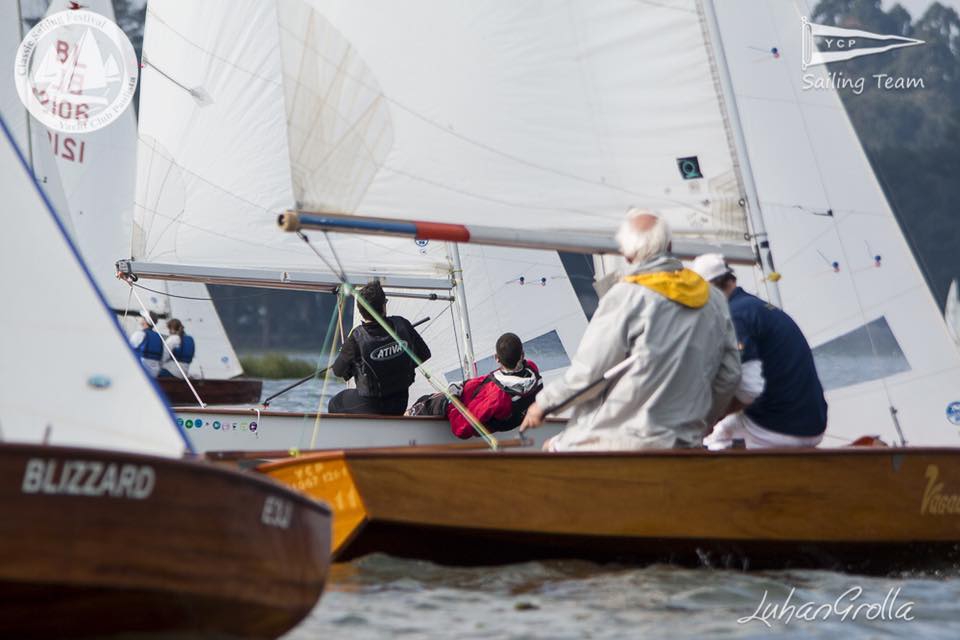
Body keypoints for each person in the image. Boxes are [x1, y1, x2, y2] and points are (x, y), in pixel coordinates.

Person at [519, 209, 741, 451]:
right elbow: (729, 375)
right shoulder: (715, 299)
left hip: (621, 443)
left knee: (551, 448)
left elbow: (589, 374)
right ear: (669, 244)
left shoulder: (627, 296)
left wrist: (543, 404)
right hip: (684, 442)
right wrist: (700, 425)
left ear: (627, 254)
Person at [690, 253, 828, 449]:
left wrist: (709, 419)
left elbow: (748, 391)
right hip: (813, 425)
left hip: (778, 429)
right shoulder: (756, 307)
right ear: (731, 280)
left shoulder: (735, 316)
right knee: (724, 428)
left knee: (708, 441)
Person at [407, 332, 543, 438]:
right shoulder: (532, 370)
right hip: (502, 409)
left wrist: (451, 401)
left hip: (459, 405)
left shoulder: (497, 397)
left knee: (425, 403)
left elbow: (461, 429)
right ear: (522, 355)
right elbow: (499, 378)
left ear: (496, 358)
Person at [329, 280, 431, 415]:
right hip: (399, 404)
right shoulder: (402, 324)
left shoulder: (356, 338)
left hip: (371, 406)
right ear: (384, 306)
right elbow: (424, 354)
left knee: (335, 403)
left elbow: (337, 371)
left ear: (360, 310)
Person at [129, 313, 163, 378]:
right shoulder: (159, 337)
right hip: (155, 373)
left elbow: (128, 351)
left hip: (141, 371)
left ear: (145, 321)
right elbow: (162, 358)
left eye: (142, 317)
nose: (140, 318)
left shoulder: (139, 334)